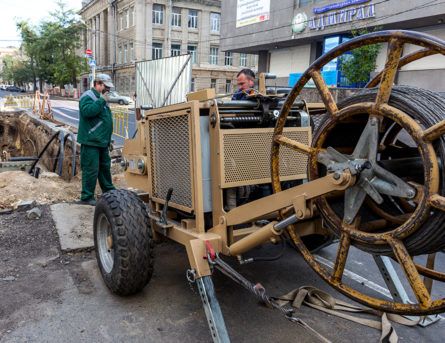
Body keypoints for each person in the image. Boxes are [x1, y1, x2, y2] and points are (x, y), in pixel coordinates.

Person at [77, 74, 116, 205]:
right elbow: (87, 111)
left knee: (105, 167)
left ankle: (109, 192)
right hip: (91, 141)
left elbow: (104, 121)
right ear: (98, 84)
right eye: (106, 87)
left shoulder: (101, 98)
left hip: (101, 141)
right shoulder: (88, 96)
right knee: (91, 169)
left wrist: (108, 140)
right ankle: (87, 197)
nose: (108, 90)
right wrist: (101, 101)